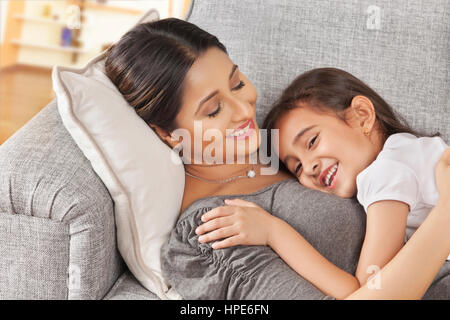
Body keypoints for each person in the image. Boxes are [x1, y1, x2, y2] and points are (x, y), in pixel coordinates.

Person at [104, 18, 450, 299]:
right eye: (213, 109)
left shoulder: (276, 145)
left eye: (237, 83)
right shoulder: (213, 229)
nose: (245, 110)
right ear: (167, 133)